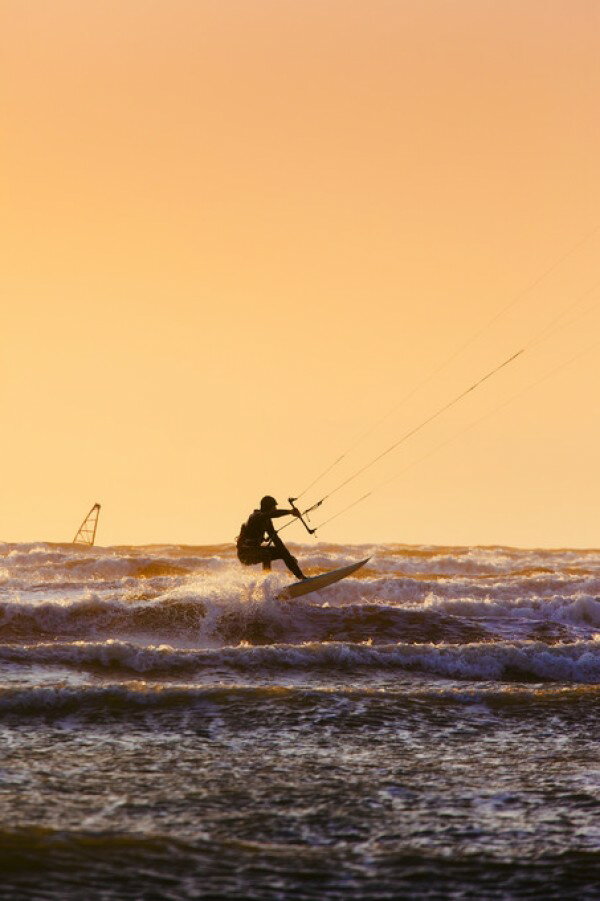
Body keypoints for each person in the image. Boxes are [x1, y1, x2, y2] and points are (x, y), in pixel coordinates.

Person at [236, 495, 307, 580]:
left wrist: (289, 558)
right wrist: (290, 512)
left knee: (282, 552)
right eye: (274, 507)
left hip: (255, 551)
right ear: (268, 508)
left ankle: (301, 577)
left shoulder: (267, 522)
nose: (276, 509)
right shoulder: (255, 517)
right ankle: (266, 580)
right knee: (266, 554)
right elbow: (271, 514)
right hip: (245, 554)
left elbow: (277, 542)